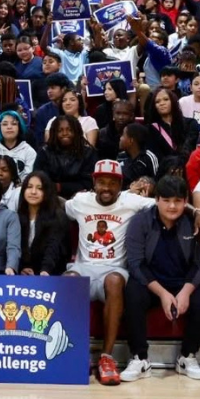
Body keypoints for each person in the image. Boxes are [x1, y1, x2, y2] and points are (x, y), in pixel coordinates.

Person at [64, 159, 159, 385]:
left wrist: (197, 212)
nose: (107, 188)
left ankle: (106, 357)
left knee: (115, 281)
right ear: (94, 183)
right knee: (67, 280)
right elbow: (56, 203)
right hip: (84, 268)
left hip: (115, 270)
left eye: (112, 183)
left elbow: (166, 204)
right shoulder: (80, 202)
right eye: (102, 182)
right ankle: (78, 354)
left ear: (121, 185)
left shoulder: (132, 201)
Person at [121, 175, 200, 381]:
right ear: (157, 200)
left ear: (185, 200)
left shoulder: (195, 222)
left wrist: (186, 292)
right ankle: (140, 358)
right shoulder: (141, 221)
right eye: (167, 200)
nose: (172, 206)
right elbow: (135, 263)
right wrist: (162, 293)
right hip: (151, 282)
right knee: (133, 293)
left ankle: (187, 357)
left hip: (182, 281)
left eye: (178, 201)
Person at [16, 171, 68, 276]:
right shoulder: (17, 216)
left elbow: (53, 247)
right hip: (24, 273)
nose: (33, 192)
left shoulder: (58, 216)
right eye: (29, 187)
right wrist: (23, 267)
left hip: (51, 273)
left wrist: (45, 270)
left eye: (39, 188)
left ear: (47, 191)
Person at [33, 115, 97, 199]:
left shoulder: (88, 153)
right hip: (50, 197)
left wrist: (59, 186)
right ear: (54, 133)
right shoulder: (44, 152)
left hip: (80, 197)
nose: (65, 133)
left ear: (76, 131)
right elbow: (39, 179)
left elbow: (88, 183)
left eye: (70, 130)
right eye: (60, 130)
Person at [143, 87, 198, 159]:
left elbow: (189, 148)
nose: (162, 103)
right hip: (165, 168)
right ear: (154, 106)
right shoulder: (150, 129)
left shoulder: (190, 124)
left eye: (166, 99)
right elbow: (156, 156)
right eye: (157, 102)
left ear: (173, 101)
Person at [0, 111, 37, 182]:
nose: (9, 127)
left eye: (14, 124)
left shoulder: (29, 152)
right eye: (5, 124)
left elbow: (28, 179)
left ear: (19, 127)